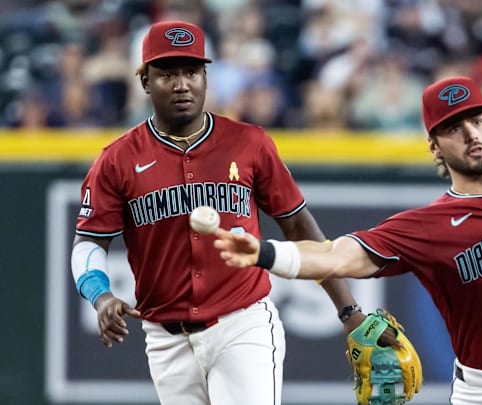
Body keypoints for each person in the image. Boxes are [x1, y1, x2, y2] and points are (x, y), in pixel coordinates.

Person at [212, 76, 482, 404]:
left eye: (478, 120)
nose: (472, 134)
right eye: (454, 128)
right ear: (435, 146)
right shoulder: (429, 226)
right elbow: (338, 257)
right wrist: (267, 253)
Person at [70, 20, 377, 405]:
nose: (182, 84)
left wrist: (348, 311)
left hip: (242, 323)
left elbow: (298, 225)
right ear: (145, 81)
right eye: (167, 74)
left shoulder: (249, 143)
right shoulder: (117, 160)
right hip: (165, 341)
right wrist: (100, 296)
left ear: (205, 77)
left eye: (192, 72)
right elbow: (87, 245)